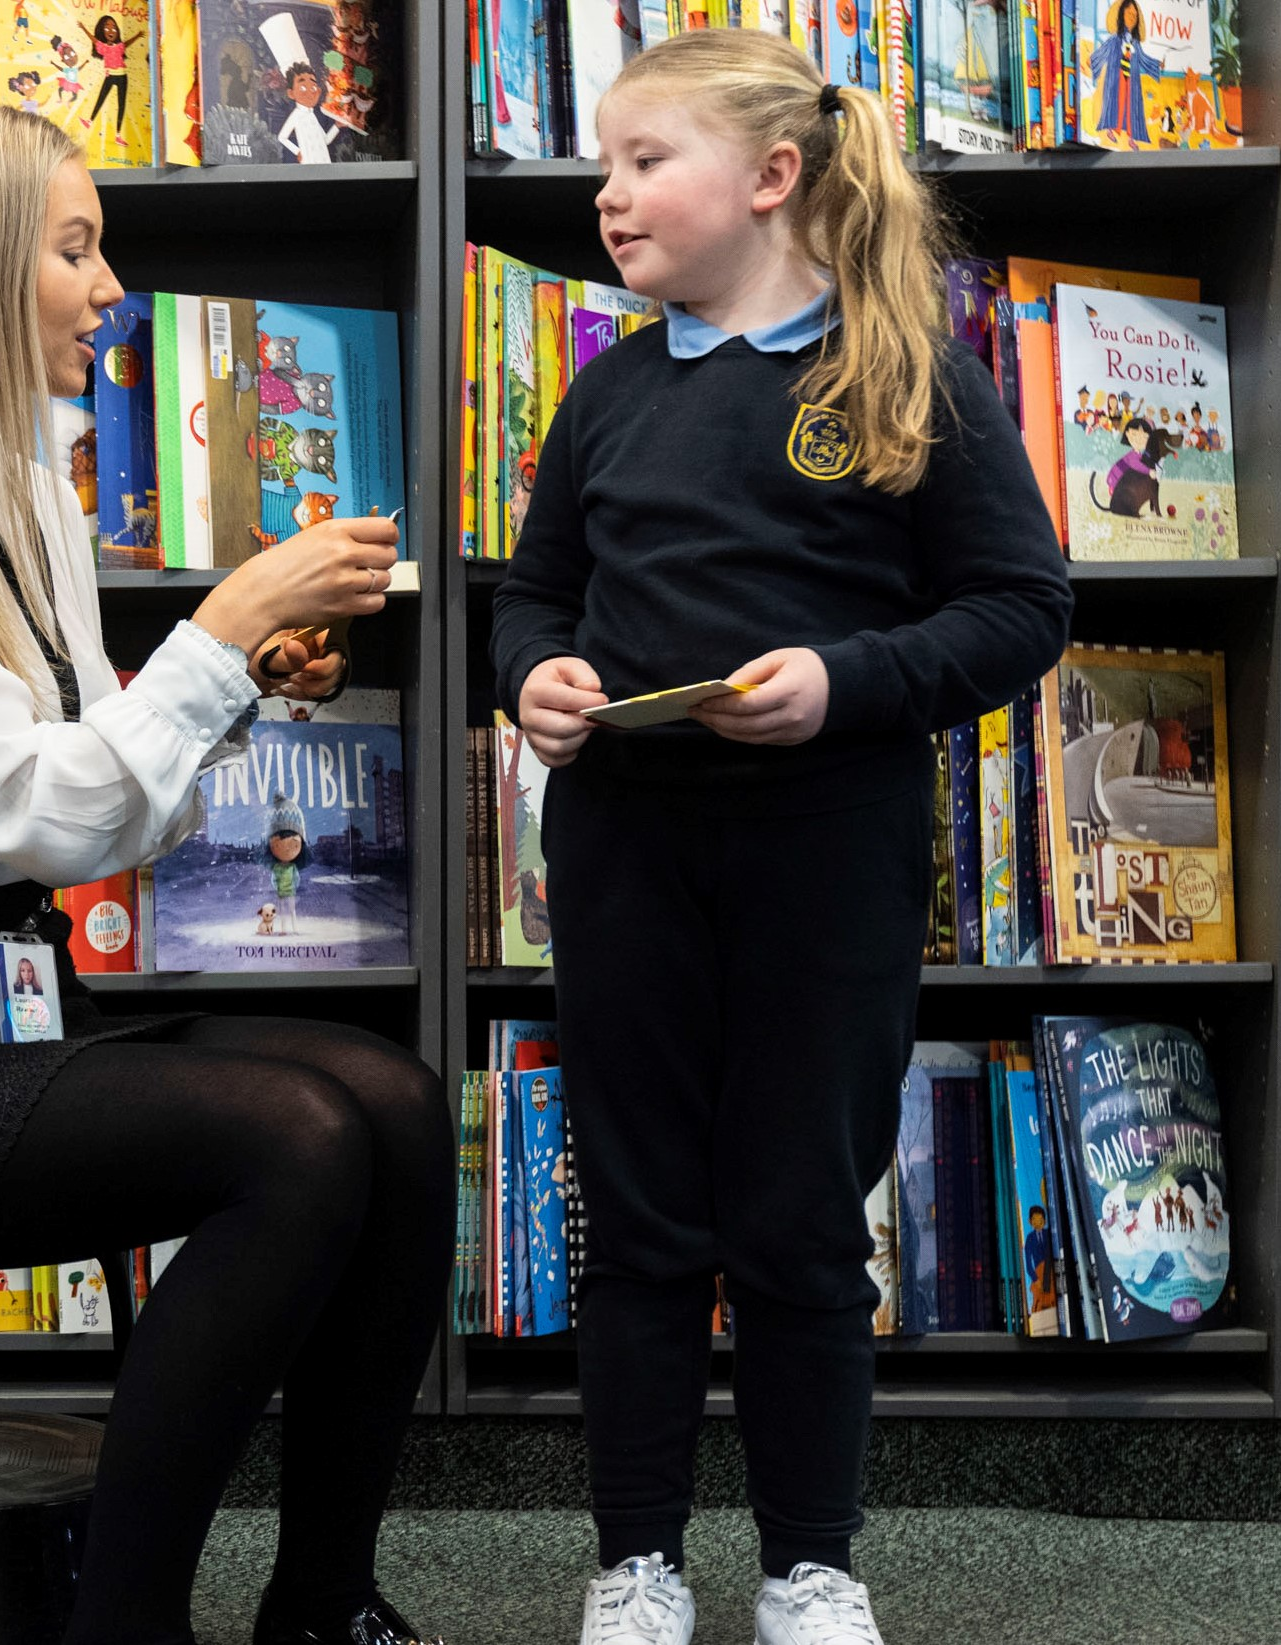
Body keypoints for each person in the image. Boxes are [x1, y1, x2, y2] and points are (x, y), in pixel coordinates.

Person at [0, 100, 451, 1645]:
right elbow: (31, 814)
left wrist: (237, 674)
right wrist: (215, 625)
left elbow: (105, 809)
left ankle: (321, 1607)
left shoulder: (23, 486)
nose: (111, 283)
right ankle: (127, 1629)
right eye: (75, 247)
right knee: (294, 1141)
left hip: (2, 1006)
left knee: (394, 1100)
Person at [488, 31, 1071, 1645]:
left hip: (829, 856)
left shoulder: (900, 379)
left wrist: (843, 685)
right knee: (644, 1215)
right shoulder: (609, 390)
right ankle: (637, 1561)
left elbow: (1019, 610)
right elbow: (535, 590)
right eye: (601, 165)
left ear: (769, 178)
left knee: (803, 1219)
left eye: (640, 161)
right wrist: (528, 672)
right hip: (624, 856)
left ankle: (812, 1563)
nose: (606, 196)